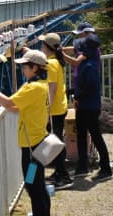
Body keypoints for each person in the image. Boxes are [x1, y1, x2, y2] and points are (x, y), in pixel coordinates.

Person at [0, 50, 50, 216]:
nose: (22, 70)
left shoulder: (32, 88)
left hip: (32, 147)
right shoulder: (41, 85)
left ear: (34, 68)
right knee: (37, 184)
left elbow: (9, 102)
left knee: (33, 186)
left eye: (25, 67)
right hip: (38, 141)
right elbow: (14, 106)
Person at [62, 22, 112, 181]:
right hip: (83, 104)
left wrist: (76, 95)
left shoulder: (89, 62)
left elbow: (89, 85)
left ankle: (106, 169)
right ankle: (82, 167)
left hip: (89, 104)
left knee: (96, 136)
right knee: (81, 136)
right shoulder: (86, 52)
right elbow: (74, 51)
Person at [38, 33, 73, 189]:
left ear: (47, 47)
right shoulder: (57, 61)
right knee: (56, 141)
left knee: (54, 143)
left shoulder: (50, 64)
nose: (40, 47)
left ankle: (64, 177)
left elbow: (51, 89)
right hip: (60, 106)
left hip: (54, 110)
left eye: (42, 45)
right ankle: (59, 172)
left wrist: (46, 113)